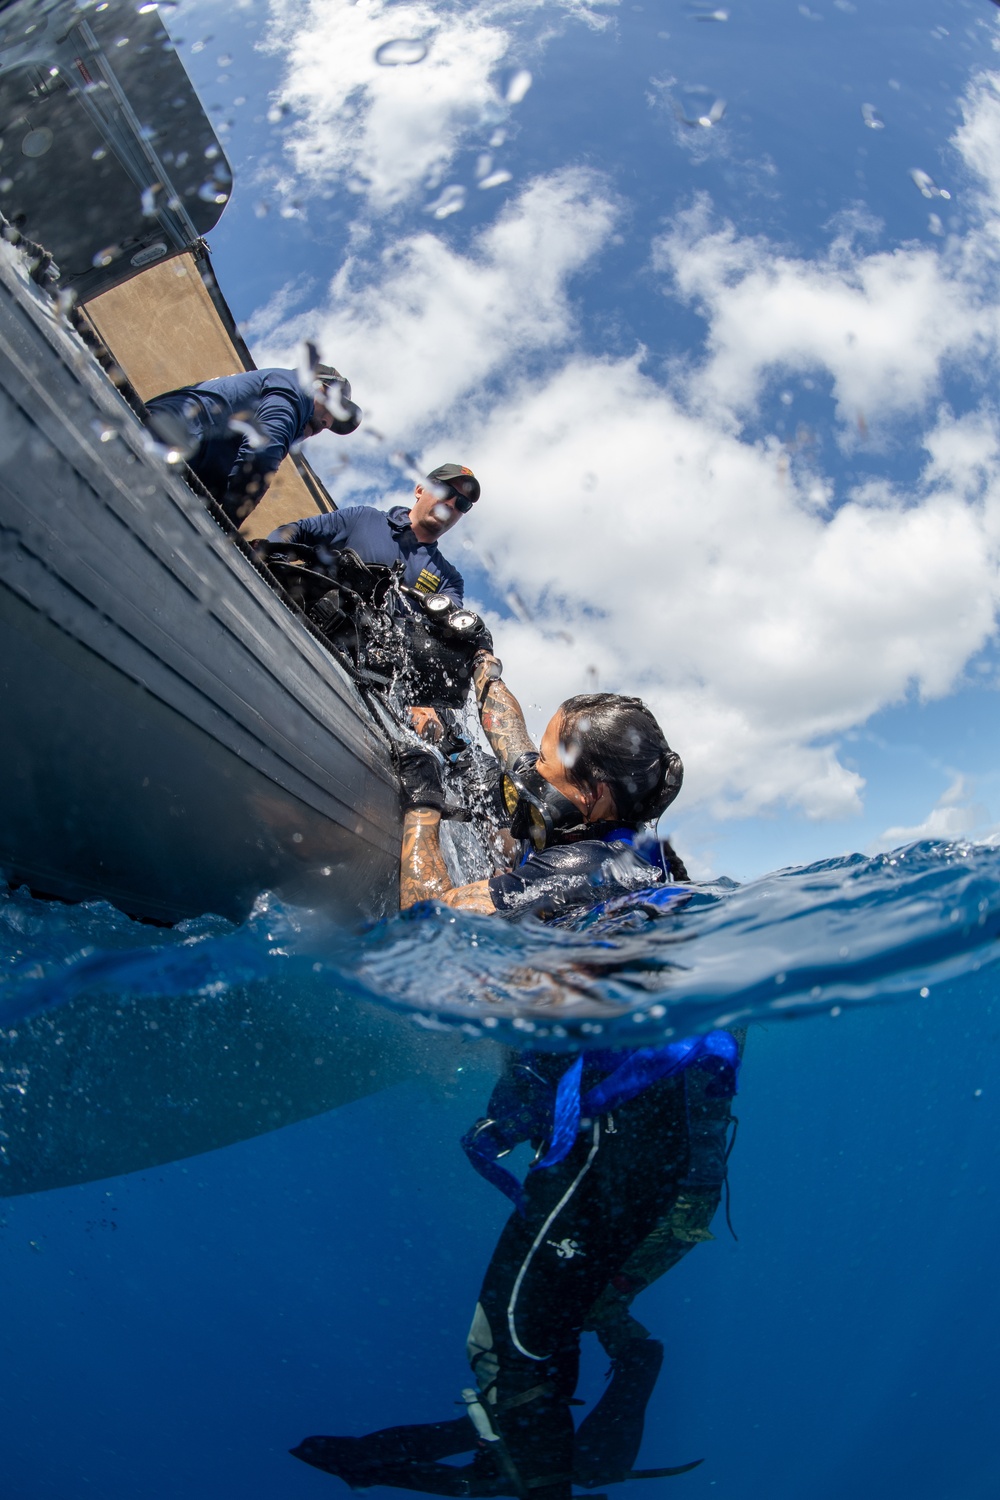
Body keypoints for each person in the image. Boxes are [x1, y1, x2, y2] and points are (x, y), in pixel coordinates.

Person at [293, 667, 742, 1498]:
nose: (528, 774)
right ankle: (522, 1445)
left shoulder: (573, 876)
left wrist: (423, 801)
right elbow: (516, 751)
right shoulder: (648, 852)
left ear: (596, 796)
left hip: (615, 1152)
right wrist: (486, 684)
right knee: (554, 1321)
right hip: (669, 1147)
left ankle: (531, 1477)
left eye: (547, 765)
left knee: (505, 1342)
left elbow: (423, 914)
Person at [143, 364, 362, 525]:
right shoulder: (297, 389)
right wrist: (225, 525)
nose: (326, 423)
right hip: (167, 441)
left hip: (176, 451)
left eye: (332, 424)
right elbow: (262, 456)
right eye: (333, 409)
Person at [265, 463, 479, 606]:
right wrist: (271, 569)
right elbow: (293, 532)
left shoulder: (448, 580)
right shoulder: (362, 518)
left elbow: (451, 629)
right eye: (446, 491)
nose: (451, 504)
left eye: (462, 503)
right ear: (420, 489)